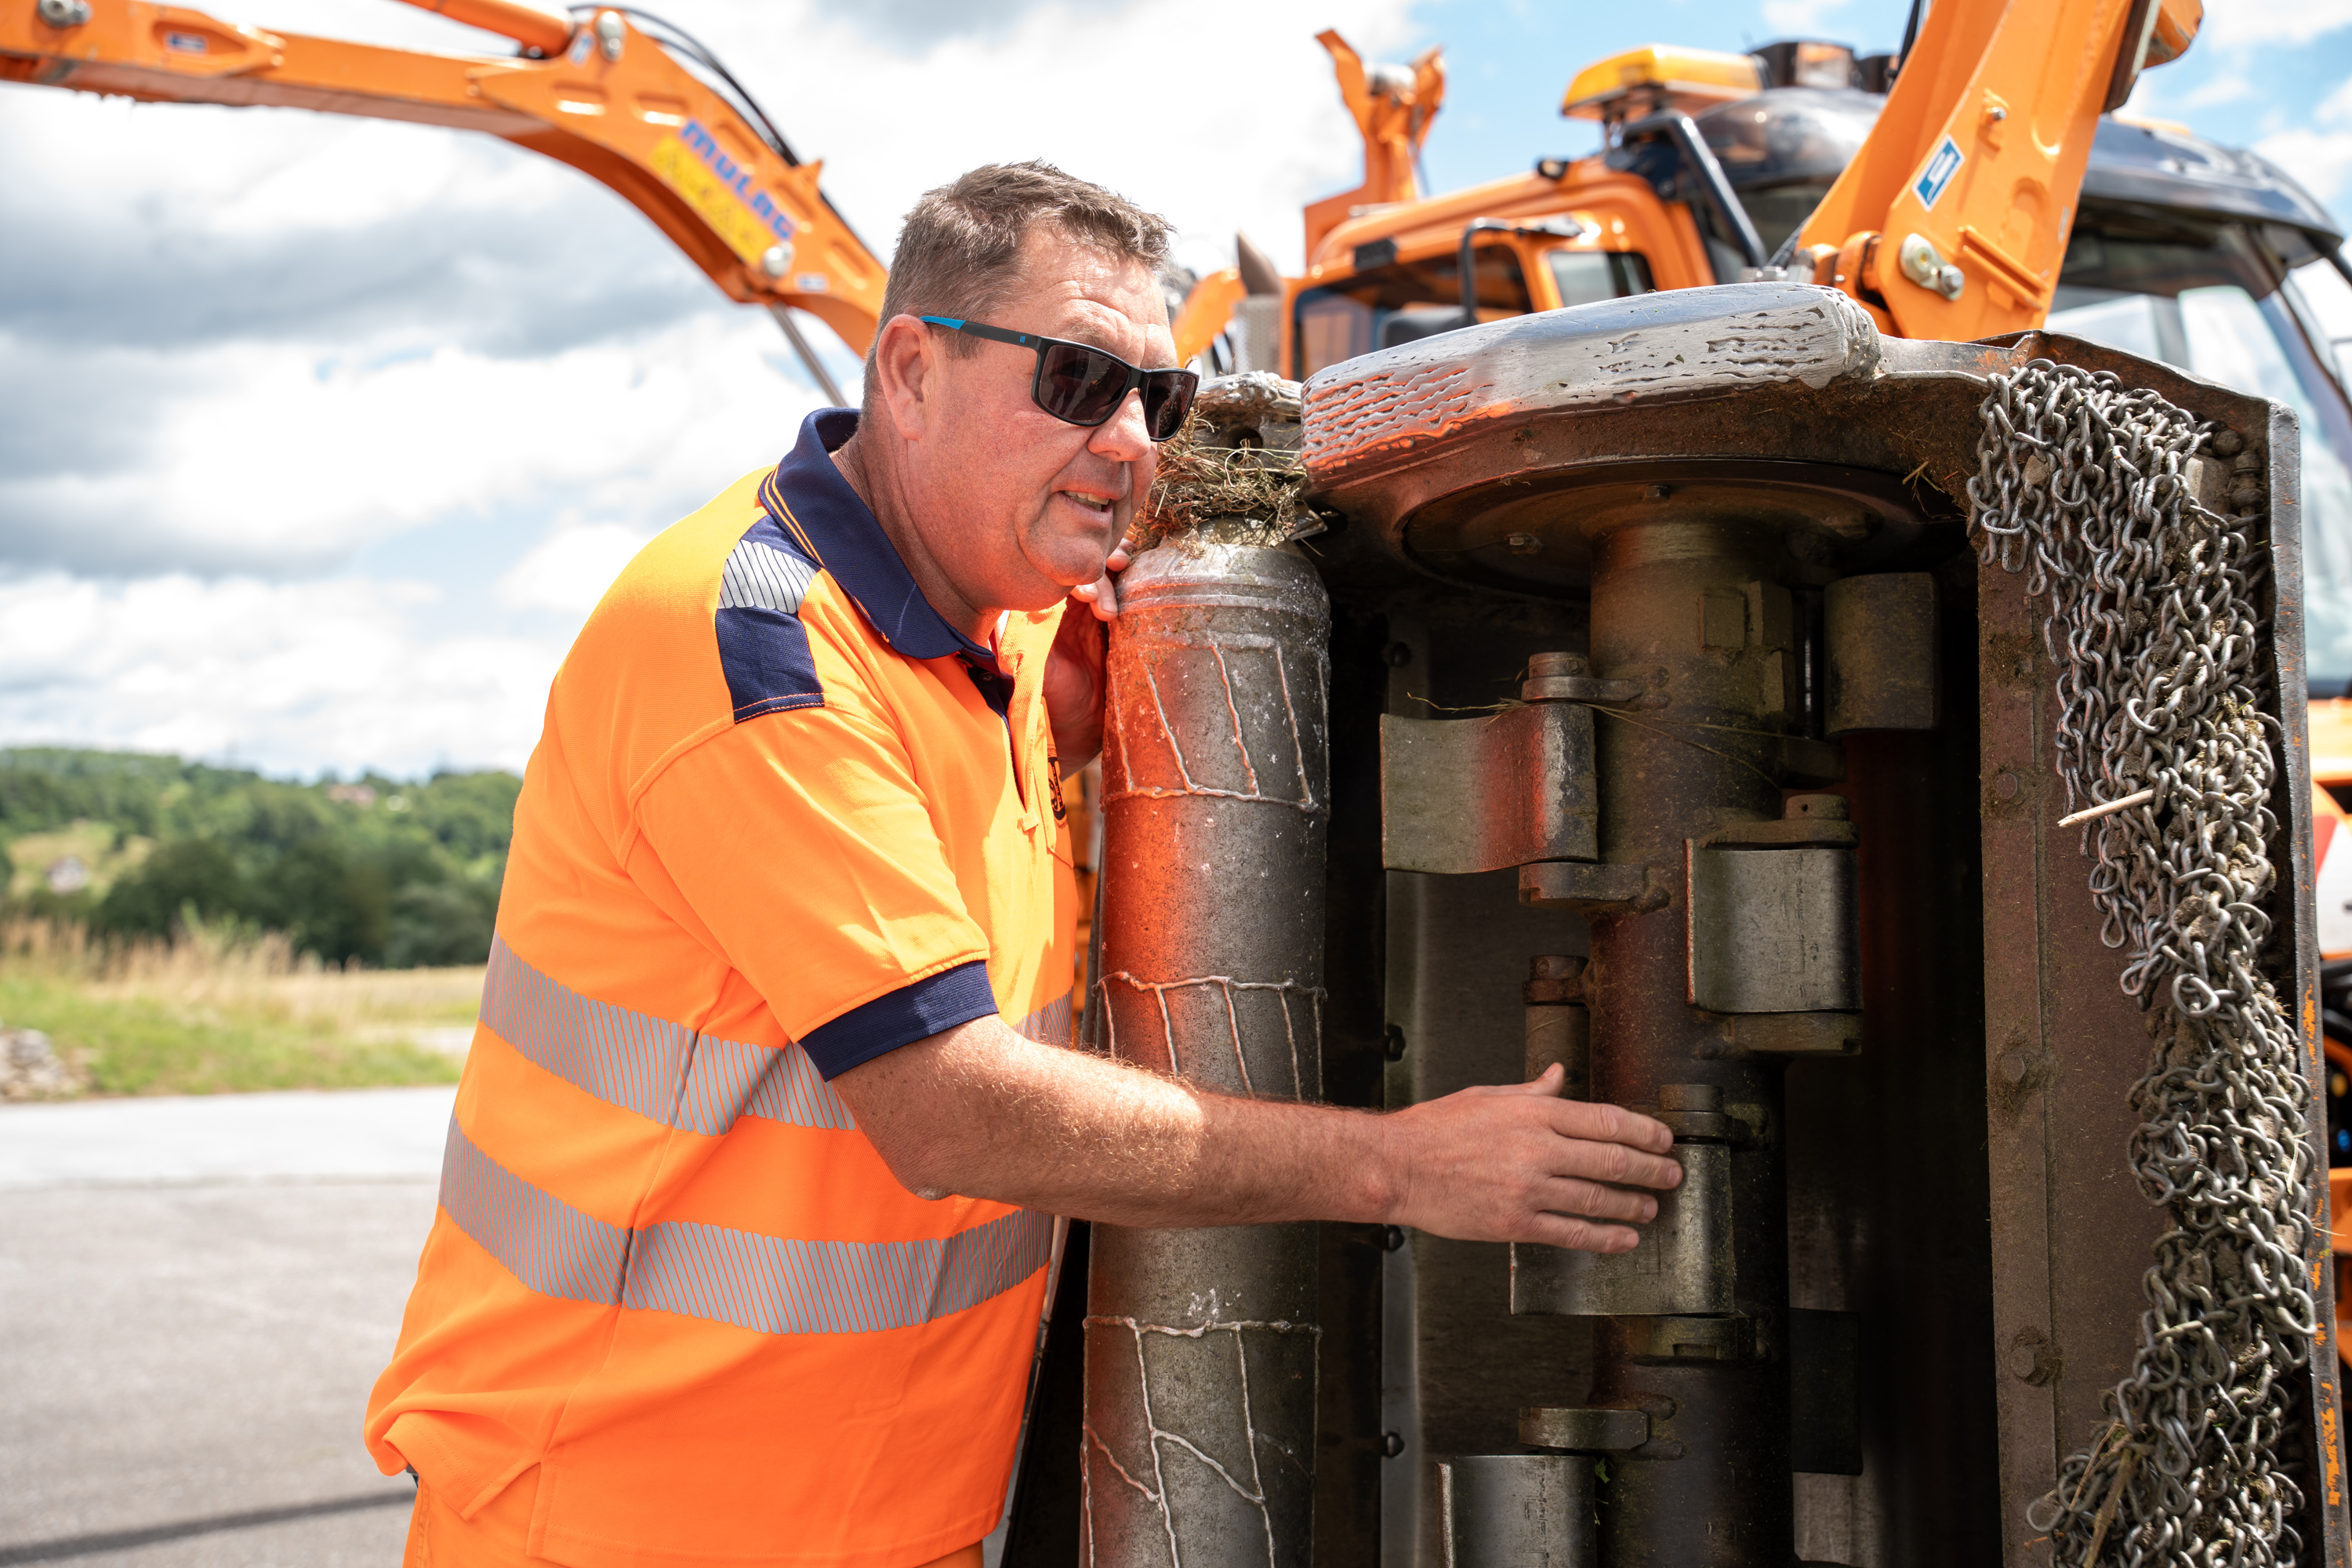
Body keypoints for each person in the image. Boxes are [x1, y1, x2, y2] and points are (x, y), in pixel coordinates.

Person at [366, 161, 1681, 1568]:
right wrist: (1402, 1168)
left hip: (886, 1519)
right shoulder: (758, 654)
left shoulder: (1016, 630)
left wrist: (1073, 744)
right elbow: (953, 1114)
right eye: (1074, 380)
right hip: (625, 1516)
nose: (1130, 444)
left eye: (1155, 400)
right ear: (913, 369)